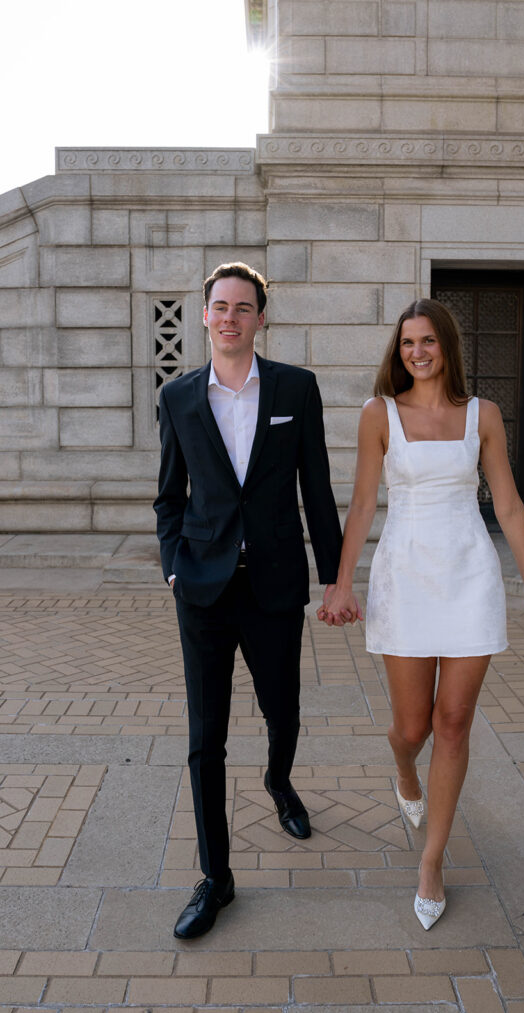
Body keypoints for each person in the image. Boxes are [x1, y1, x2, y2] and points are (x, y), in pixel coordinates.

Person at [318, 298, 524, 930]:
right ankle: (401, 766)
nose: (416, 352)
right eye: (406, 343)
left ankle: (433, 859)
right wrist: (341, 584)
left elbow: (507, 505)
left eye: (427, 341)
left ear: (447, 346)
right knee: (413, 727)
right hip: (405, 576)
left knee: (454, 724)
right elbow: (364, 504)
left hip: (470, 576)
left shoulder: (484, 416)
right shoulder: (378, 414)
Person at [154, 262, 351, 938]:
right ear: (204, 316)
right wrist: (173, 567)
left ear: (260, 318)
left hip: (272, 586)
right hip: (203, 589)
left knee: (283, 711)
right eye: (220, 306)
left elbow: (316, 487)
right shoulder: (179, 397)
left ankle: (278, 782)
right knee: (204, 741)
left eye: (244, 307)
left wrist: (336, 575)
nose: (231, 316)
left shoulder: (297, 388)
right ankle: (216, 878)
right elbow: (168, 496)